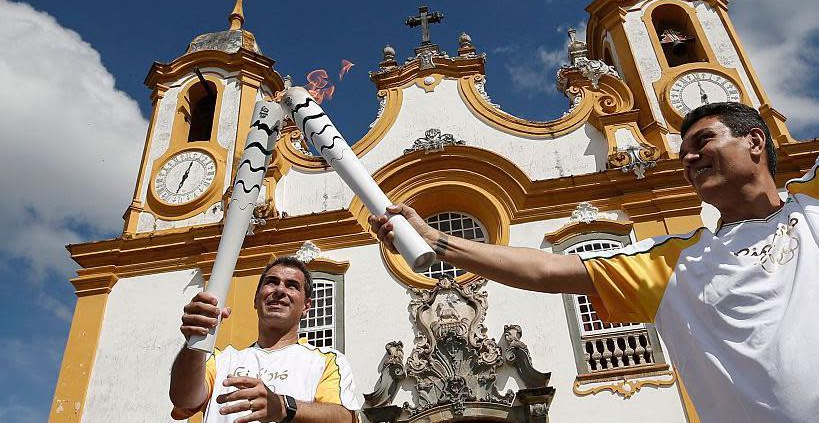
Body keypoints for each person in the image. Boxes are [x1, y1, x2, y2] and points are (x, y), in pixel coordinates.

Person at [369, 102, 818, 423]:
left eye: (703, 141)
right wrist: (434, 239)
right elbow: (546, 270)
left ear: (755, 140)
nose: (689, 158)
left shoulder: (812, 207)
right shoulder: (676, 262)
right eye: (683, 153)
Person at [169, 256, 361, 423]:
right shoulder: (220, 361)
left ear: (306, 307)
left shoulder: (327, 361)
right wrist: (195, 340)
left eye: (292, 285)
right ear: (256, 299)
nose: (280, 290)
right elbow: (184, 399)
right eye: (272, 282)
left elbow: (345, 418)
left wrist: (284, 407)